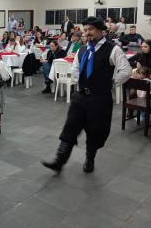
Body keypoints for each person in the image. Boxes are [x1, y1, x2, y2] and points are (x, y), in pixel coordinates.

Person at [42, 17, 132, 174]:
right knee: (70, 128)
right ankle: (59, 161)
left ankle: (90, 159)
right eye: (85, 30)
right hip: (81, 97)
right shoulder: (82, 49)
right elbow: (75, 68)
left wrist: (111, 83)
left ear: (100, 30)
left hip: (100, 99)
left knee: (95, 132)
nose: (87, 33)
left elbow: (126, 71)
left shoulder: (113, 49)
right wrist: (81, 81)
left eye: (90, 29)